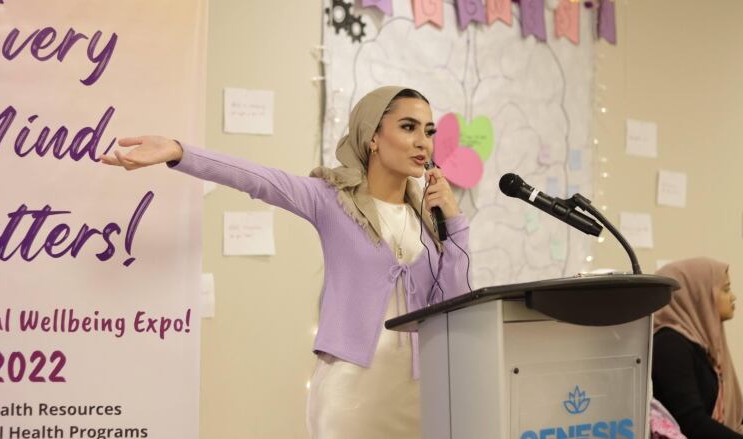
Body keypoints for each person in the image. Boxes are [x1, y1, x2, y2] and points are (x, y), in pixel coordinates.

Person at [100, 86, 471, 438]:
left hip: (420, 395)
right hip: (352, 394)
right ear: (372, 136)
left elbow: (456, 300)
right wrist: (179, 152)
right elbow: (258, 179)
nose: (424, 142)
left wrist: (454, 223)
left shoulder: (430, 216)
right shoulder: (331, 200)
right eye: (409, 127)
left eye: (429, 131)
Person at [652, 257, 743, 438]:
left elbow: (731, 398)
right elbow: (692, 423)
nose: (733, 297)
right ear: (698, 295)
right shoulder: (670, 345)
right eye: (726, 289)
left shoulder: (702, 339)